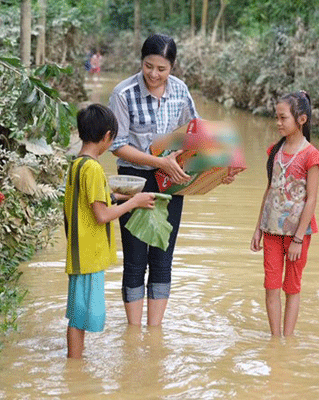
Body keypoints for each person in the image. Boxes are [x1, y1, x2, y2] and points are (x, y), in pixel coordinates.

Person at [109, 33, 235, 327]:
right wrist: (158, 162)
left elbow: (197, 134)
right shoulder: (123, 93)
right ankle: (133, 332)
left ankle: (154, 332)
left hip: (171, 181)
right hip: (133, 180)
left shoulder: (180, 91)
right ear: (141, 62)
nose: (154, 74)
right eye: (148, 66)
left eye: (161, 69)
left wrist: (220, 170)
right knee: (135, 258)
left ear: (172, 67)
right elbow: (118, 144)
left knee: (163, 257)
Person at [63, 104, 155, 358]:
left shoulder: (78, 165)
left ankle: (75, 363)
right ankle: (75, 364)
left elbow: (92, 200)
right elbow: (101, 215)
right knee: (80, 317)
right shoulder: (93, 169)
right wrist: (133, 203)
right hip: (88, 253)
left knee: (76, 313)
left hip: (79, 250)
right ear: (107, 137)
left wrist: (118, 195)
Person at [251, 91, 319, 337]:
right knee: (271, 286)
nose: (278, 123)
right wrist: (258, 228)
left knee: (292, 287)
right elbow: (270, 189)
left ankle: (288, 339)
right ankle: (275, 340)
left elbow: (311, 198)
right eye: (277, 118)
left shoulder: (311, 155)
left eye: (283, 118)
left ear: (301, 119)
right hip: (271, 231)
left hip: (296, 235)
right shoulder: (275, 151)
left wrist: (299, 239)